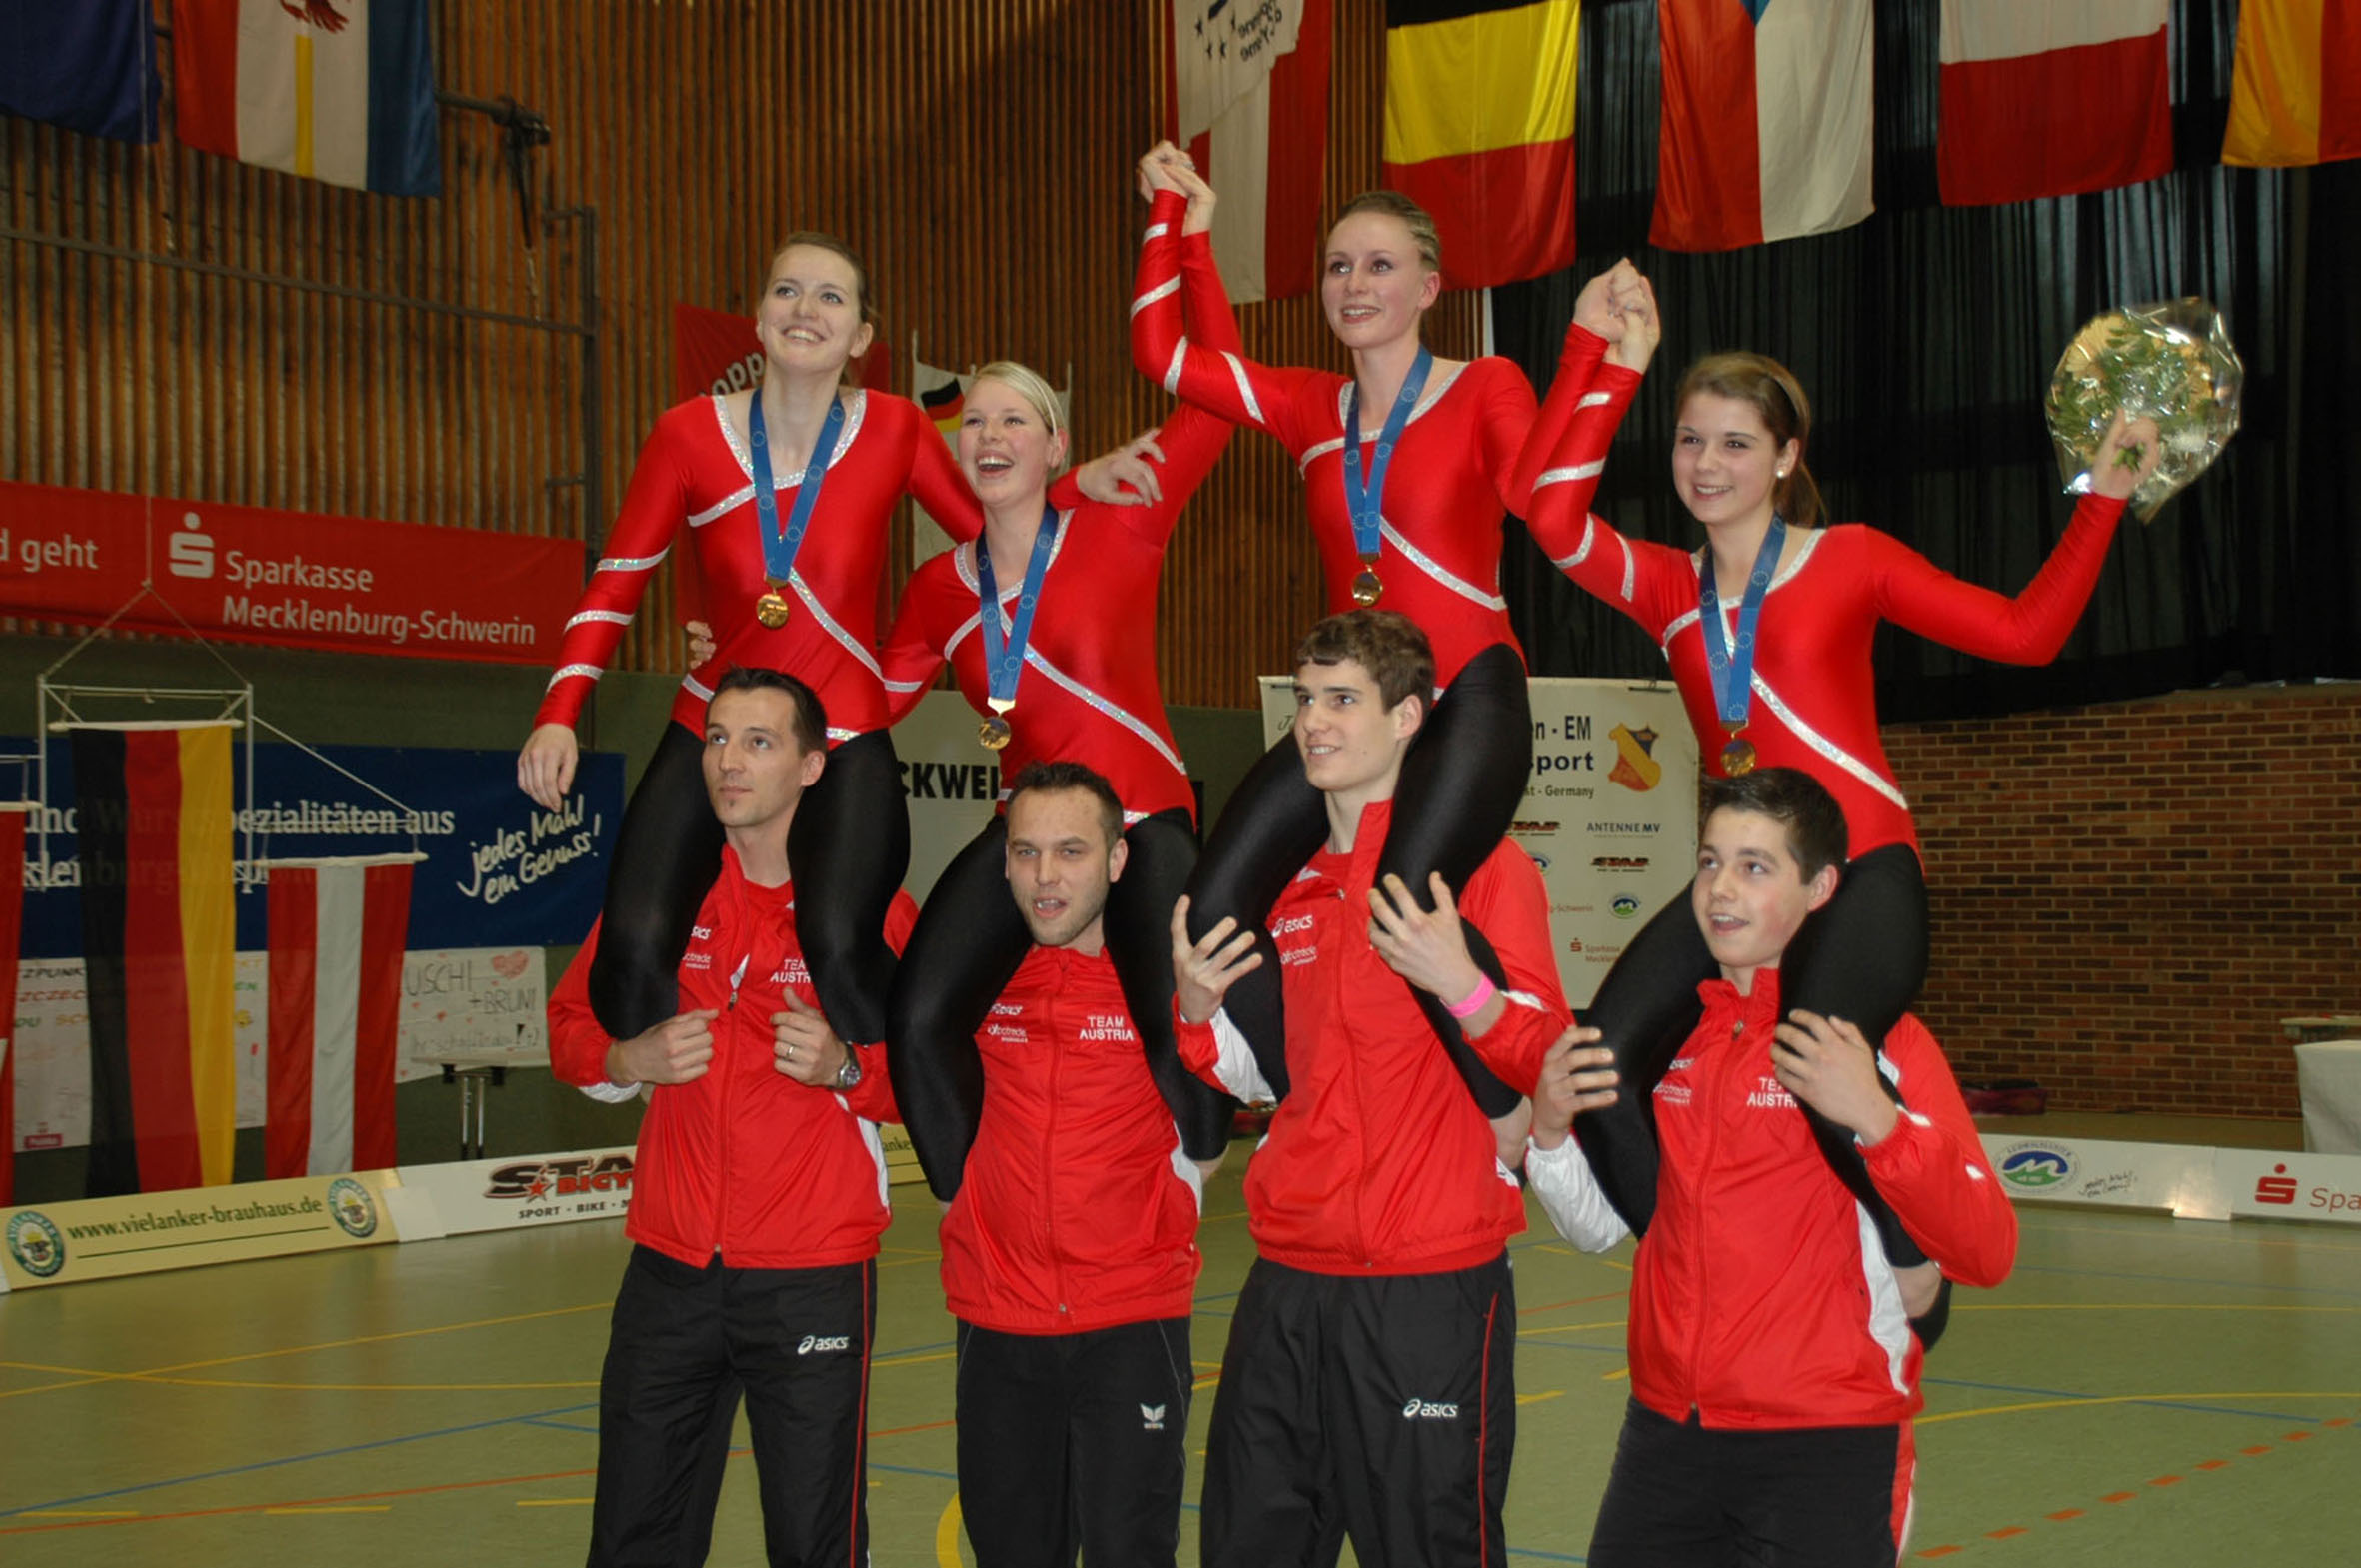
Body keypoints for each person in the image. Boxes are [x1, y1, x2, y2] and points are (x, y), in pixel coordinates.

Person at [1522, 274, 2158, 1318]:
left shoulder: (1850, 559)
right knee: (1600, 1066)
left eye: (1736, 443)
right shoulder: (1664, 584)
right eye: (1689, 440)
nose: (1707, 463)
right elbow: (1548, 514)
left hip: (1862, 871)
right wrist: (1609, 361)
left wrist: (2103, 497)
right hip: (1742, 881)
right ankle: (1693, 1259)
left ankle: (1912, 1271)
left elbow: (2025, 634)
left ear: (1785, 456)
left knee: (1815, 1069)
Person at [520, 231, 1157, 1065]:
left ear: (860, 334)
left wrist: (1072, 486)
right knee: (630, 963)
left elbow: (991, 529)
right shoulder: (686, 434)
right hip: (718, 718)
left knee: (840, 951)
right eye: (787, 290)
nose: (805, 310)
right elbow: (616, 582)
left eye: (831, 296)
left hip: (845, 728)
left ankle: (908, 1074)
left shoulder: (893, 427)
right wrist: (558, 713)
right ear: (758, 318)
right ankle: (716, 1084)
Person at [1129, 145, 1633, 1117]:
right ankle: (1315, 1097)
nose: (1354, 284)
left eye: (1380, 264)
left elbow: (1538, 496)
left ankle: (1516, 1111)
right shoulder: (1309, 405)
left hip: (1468, 691)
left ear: (1430, 286)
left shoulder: (1484, 383)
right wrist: (1179, 229)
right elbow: (1165, 356)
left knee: (1400, 897)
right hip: (1355, 706)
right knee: (1211, 911)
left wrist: (1585, 351)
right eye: (1338, 266)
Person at [1524, 767, 2019, 1567]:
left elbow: (1988, 1248)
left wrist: (1877, 1117)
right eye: (1710, 862)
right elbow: (1599, 1229)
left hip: (1826, 1439)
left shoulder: (1882, 1045)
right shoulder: (1673, 1042)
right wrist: (1550, 1131)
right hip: (1668, 1433)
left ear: (1820, 888)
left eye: (1755, 867)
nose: (1721, 889)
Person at [1169, 609, 1570, 1568]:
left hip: (1429, 1283)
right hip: (1289, 1277)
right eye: (1307, 699)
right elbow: (1270, 1073)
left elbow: (1543, 1059)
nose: (1314, 721)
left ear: (1408, 718)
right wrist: (1197, 1009)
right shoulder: (1286, 885)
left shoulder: (1482, 870)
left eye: (1343, 699)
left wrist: (1459, 982)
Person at [876, 153, 1239, 1198]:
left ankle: (1183, 1186)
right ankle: (970, 1205)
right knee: (918, 1019)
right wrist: (733, 658)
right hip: (1026, 834)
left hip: (1143, 821)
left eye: (1014, 420)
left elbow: (1217, 402)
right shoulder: (936, 588)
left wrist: (1191, 239)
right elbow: (865, 698)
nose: (988, 435)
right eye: (973, 421)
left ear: (1055, 444)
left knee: (1173, 1040)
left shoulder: (1120, 517)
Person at [547, 666, 915, 1568]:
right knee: (633, 1537)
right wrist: (627, 1060)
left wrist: (844, 1068)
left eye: (758, 741)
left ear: (812, 766)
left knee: (814, 1542)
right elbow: (569, 1025)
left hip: (811, 1270)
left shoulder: (869, 912)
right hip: (669, 1268)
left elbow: (932, 1078)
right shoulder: (664, 894)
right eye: (716, 738)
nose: (728, 761)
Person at [942, 760, 1209, 1568]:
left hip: (1131, 1319)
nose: (1045, 877)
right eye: (1026, 853)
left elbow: (1229, 1102)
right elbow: (906, 1074)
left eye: (1071, 851)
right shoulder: (971, 984)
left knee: (1132, 1551)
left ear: (1118, 859)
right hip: (998, 1319)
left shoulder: (1161, 989)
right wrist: (843, 1066)